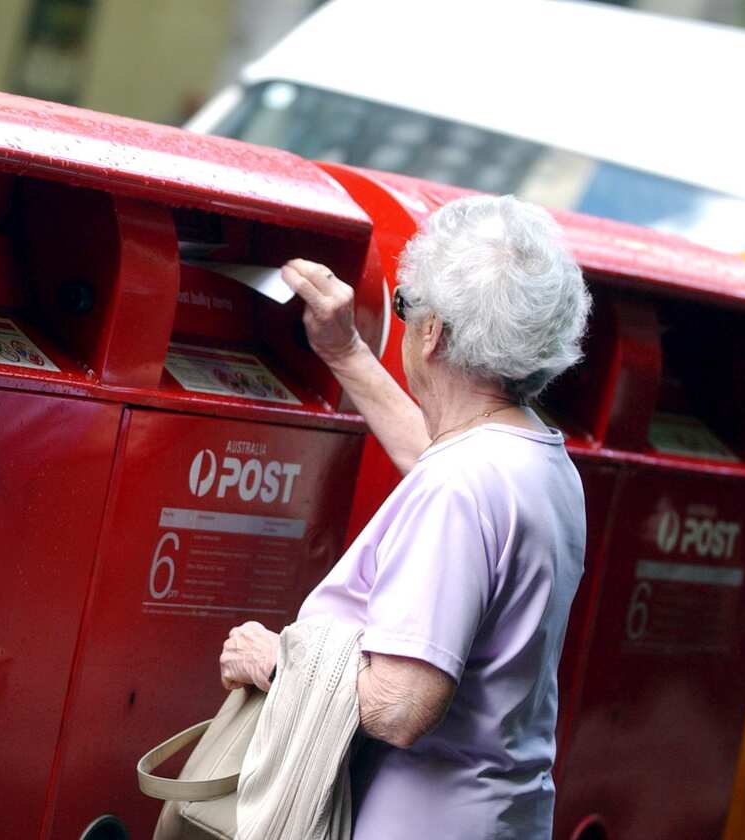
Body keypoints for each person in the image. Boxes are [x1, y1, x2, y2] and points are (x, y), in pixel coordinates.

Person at [219, 194, 591, 839]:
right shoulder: (535, 460)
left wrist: (276, 663)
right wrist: (345, 353)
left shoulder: (462, 486)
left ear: (433, 332)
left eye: (405, 307)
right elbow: (442, 464)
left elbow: (400, 708)